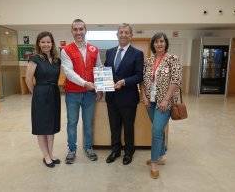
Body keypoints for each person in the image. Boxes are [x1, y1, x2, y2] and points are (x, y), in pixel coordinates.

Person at [61, 19, 102, 164]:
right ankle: (71, 150)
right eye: (75, 29)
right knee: (72, 122)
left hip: (90, 94)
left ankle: (88, 147)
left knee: (88, 122)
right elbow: (68, 72)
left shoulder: (94, 49)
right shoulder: (66, 50)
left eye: (81, 29)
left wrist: (100, 88)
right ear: (72, 31)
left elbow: (99, 69)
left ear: (85, 30)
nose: (78, 32)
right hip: (72, 93)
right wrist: (85, 83)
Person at [141, 32, 182, 179]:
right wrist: (143, 95)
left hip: (165, 102)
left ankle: (154, 163)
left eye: (162, 41)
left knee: (156, 131)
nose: (159, 44)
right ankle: (160, 155)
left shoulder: (173, 59)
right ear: (153, 44)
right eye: (156, 42)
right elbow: (143, 80)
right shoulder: (148, 60)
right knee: (158, 129)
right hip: (150, 102)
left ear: (166, 44)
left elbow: (175, 81)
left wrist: (166, 99)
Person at [104, 23, 144, 165]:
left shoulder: (137, 54)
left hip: (128, 98)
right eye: (121, 32)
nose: (123, 34)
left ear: (131, 35)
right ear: (117, 34)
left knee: (128, 126)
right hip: (111, 97)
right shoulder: (109, 52)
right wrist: (102, 81)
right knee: (114, 126)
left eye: (126, 32)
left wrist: (124, 82)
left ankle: (128, 152)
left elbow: (139, 76)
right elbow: (106, 71)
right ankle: (115, 150)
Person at [25, 31, 61, 168]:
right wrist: (36, 93)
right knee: (41, 127)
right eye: (43, 42)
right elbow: (28, 79)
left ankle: (50, 154)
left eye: (48, 42)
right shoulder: (34, 58)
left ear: (52, 43)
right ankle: (45, 156)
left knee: (51, 126)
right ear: (39, 44)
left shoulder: (57, 59)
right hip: (40, 94)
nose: (46, 44)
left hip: (54, 94)